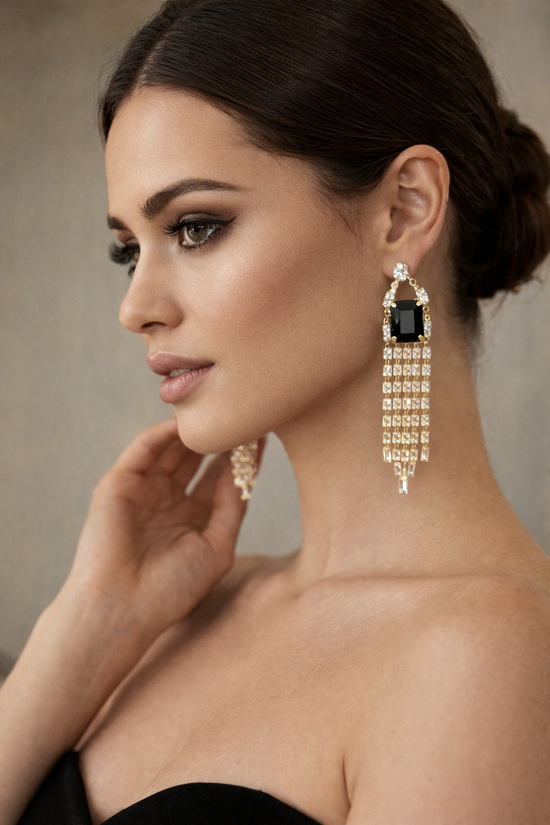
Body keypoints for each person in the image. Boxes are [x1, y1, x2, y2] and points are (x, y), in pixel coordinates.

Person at [3, 0, 550, 822]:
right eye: (129, 250)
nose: (136, 307)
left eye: (195, 227)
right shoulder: (166, 608)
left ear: (404, 210)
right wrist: (84, 627)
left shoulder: (489, 654)